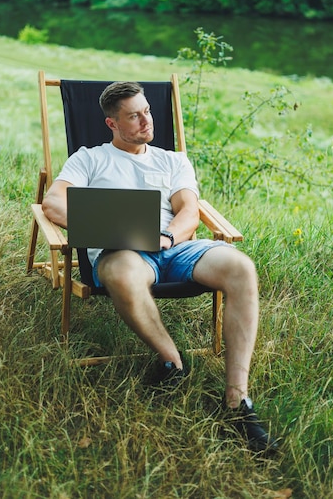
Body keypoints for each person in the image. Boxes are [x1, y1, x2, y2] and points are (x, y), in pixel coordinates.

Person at [42, 81, 280, 454]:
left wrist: (166, 238)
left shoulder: (172, 160)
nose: (145, 121)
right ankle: (172, 362)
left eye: (148, 111)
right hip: (123, 252)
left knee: (241, 268)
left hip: (175, 247)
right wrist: (108, 229)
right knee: (122, 272)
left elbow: (188, 211)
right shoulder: (90, 159)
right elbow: (54, 203)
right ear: (112, 124)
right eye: (134, 116)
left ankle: (237, 401)